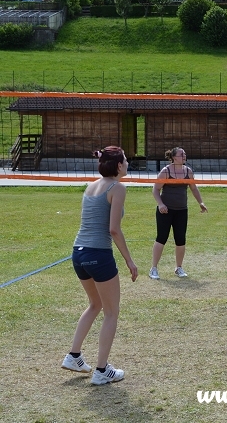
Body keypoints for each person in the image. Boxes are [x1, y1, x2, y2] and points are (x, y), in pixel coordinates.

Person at [62, 146, 138, 386]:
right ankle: (102, 370)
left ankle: (74, 356)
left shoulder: (91, 185)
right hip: (98, 254)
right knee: (111, 313)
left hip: (79, 254)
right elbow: (113, 229)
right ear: (118, 165)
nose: (128, 164)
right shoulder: (117, 188)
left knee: (95, 304)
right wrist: (129, 259)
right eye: (125, 160)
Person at [149, 147, 207, 280]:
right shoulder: (166, 171)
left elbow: (194, 188)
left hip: (182, 210)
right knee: (161, 238)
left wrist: (201, 203)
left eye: (185, 154)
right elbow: (156, 189)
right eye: (182, 154)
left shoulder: (188, 171)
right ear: (174, 157)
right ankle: (154, 268)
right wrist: (161, 204)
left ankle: (179, 268)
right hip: (166, 210)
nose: (184, 156)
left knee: (180, 240)